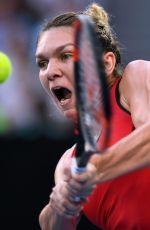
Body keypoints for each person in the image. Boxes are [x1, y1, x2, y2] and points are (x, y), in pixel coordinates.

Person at [35, 2, 150, 230]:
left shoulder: (136, 77)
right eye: (43, 63)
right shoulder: (69, 162)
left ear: (106, 63)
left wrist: (94, 168)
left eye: (66, 55)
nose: (50, 72)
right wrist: (61, 206)